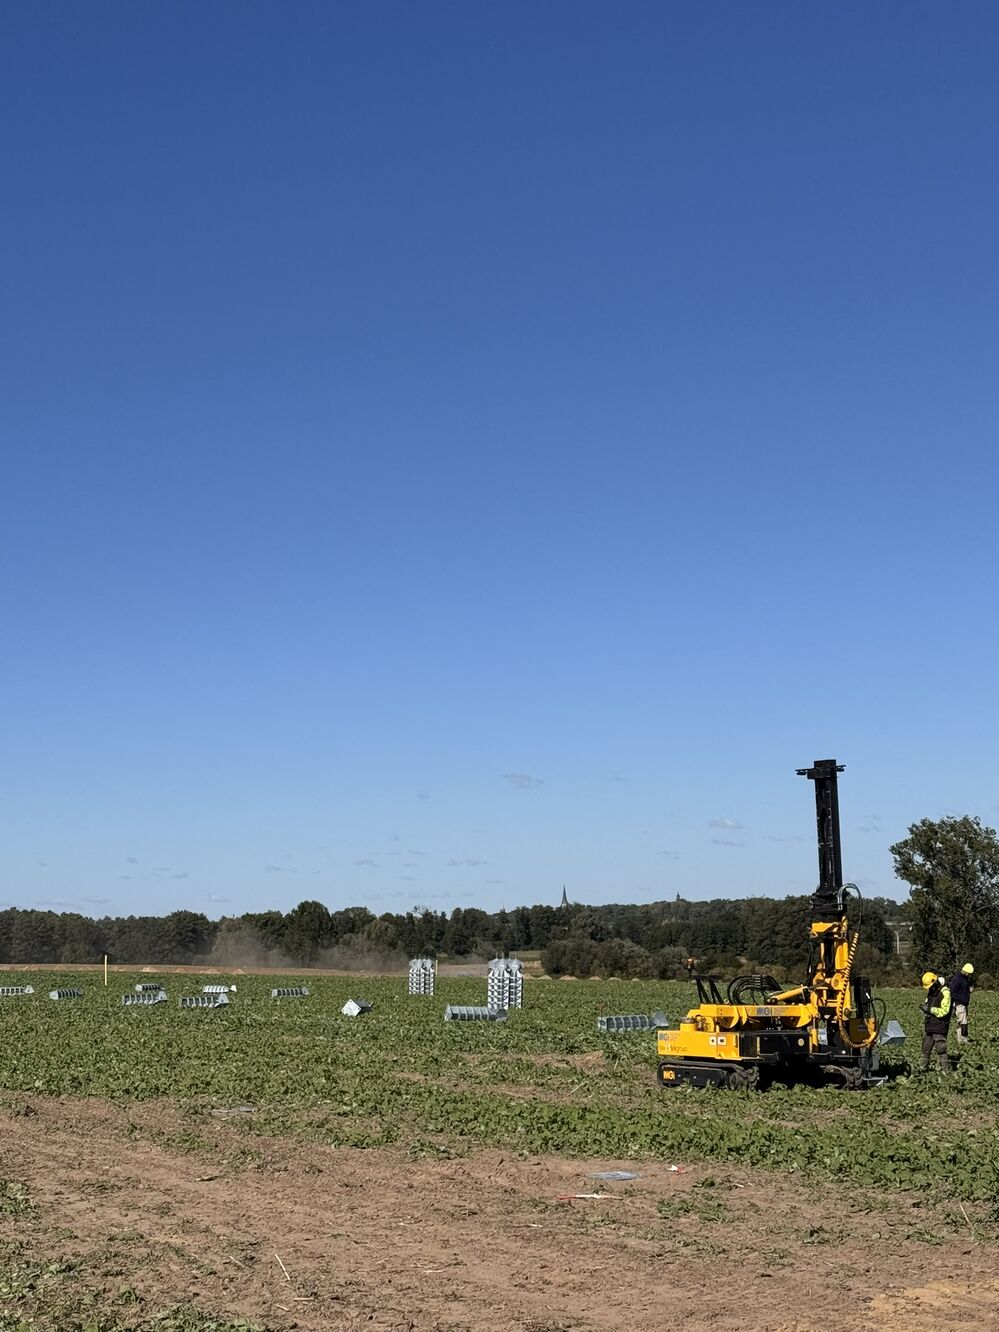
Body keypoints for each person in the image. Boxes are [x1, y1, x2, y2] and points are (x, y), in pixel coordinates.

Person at [919, 971, 952, 1073]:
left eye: (930, 986)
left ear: (935, 982)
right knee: (926, 1048)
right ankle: (922, 1069)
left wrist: (930, 1010)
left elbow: (945, 1011)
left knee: (941, 1049)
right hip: (929, 1024)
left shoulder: (945, 992)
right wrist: (924, 1007)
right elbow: (928, 1003)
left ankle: (945, 1071)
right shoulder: (931, 991)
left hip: (940, 1025)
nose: (929, 989)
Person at [948, 962, 975, 1044]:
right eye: (969, 973)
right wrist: (960, 1000)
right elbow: (953, 992)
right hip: (959, 1003)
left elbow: (963, 990)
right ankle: (964, 1038)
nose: (970, 975)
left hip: (964, 1003)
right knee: (963, 1022)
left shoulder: (964, 978)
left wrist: (969, 990)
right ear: (966, 971)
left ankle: (960, 1040)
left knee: (960, 1022)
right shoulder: (957, 979)